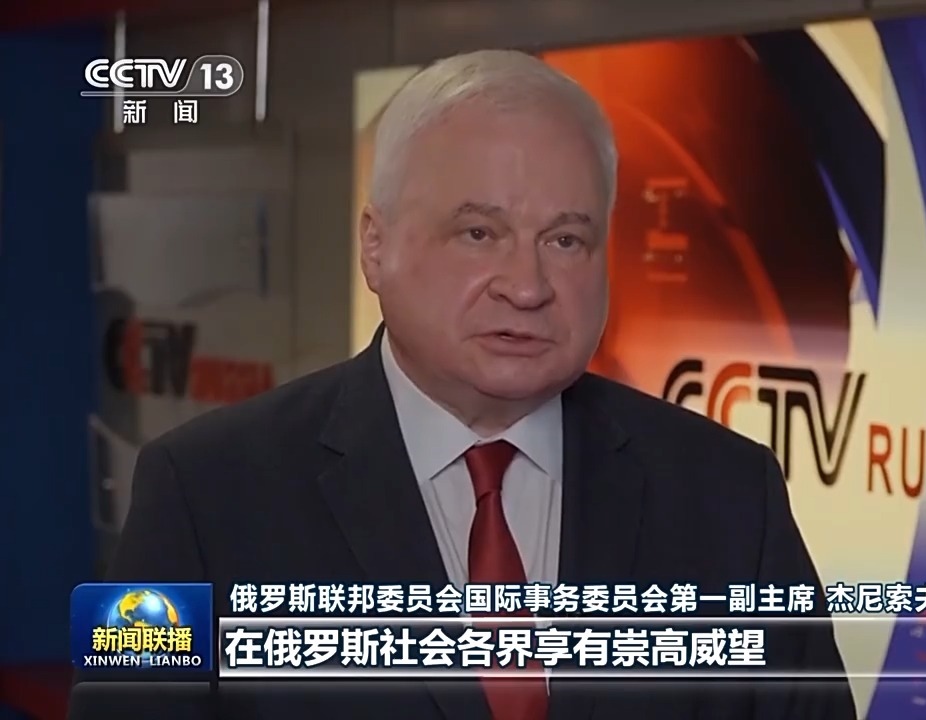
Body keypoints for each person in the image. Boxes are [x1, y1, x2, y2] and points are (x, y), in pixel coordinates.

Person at [70, 49, 854, 720]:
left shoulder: (731, 497)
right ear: (375, 246)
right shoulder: (198, 492)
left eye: (566, 239)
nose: (528, 285)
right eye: (479, 233)